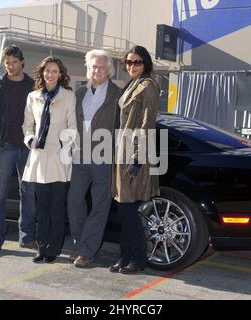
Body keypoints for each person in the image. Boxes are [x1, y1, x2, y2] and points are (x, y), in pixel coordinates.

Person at [67, 50, 121, 268]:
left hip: (104, 156)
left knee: (100, 205)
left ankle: (88, 251)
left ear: (108, 70)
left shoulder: (118, 94)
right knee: (74, 200)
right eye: (93, 67)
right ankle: (80, 244)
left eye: (100, 67)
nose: (96, 70)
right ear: (87, 69)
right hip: (80, 154)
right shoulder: (79, 93)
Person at [109, 46, 160, 274]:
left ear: (146, 63)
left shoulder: (148, 86)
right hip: (122, 151)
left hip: (134, 155)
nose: (132, 66)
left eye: (137, 62)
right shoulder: (132, 84)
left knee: (130, 212)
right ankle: (125, 255)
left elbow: (147, 125)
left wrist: (137, 158)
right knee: (124, 211)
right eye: (128, 62)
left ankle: (137, 258)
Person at [22, 56, 76, 263]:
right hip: (38, 157)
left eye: (54, 71)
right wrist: (30, 139)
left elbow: (73, 126)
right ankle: (42, 247)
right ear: (42, 73)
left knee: (56, 208)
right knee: (41, 207)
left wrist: (63, 144)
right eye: (47, 71)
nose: (50, 74)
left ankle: (53, 249)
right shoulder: (33, 97)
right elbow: (27, 125)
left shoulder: (68, 97)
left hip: (59, 158)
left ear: (60, 74)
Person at [0, 45, 36, 257]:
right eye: (7, 62)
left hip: (27, 146)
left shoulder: (34, 86)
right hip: (3, 146)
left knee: (29, 194)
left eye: (14, 62)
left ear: (22, 62)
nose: (11, 66)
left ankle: (27, 238)